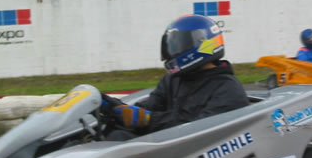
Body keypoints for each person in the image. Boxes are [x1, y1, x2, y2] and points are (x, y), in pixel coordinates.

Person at [107, 14, 249, 138]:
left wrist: (149, 120)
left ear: (200, 43)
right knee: (116, 134)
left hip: (193, 155)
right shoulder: (173, 80)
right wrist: (114, 107)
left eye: (178, 44)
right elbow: (148, 108)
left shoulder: (228, 90)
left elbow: (198, 131)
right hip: (165, 148)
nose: (172, 50)